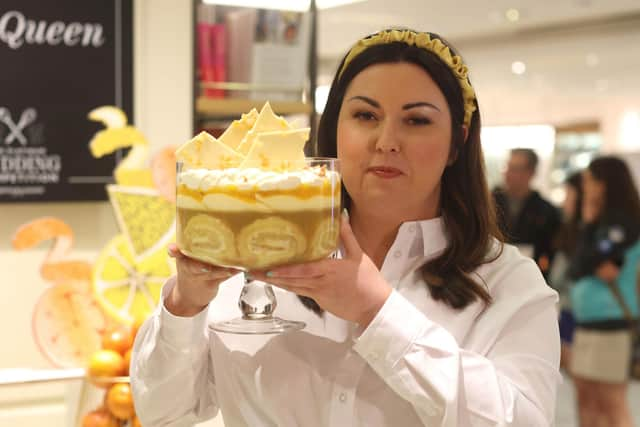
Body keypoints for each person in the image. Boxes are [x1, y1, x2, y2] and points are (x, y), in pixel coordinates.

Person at [130, 28, 560, 426]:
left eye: (417, 120)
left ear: (457, 143)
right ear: (334, 130)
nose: (386, 141)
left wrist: (377, 311)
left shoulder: (506, 283)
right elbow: (163, 413)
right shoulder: (258, 251)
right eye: (365, 116)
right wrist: (184, 304)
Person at [568, 156, 640, 427]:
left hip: (613, 321)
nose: (585, 187)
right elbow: (580, 265)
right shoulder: (598, 224)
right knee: (586, 399)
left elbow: (591, 264)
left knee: (612, 403)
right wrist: (587, 224)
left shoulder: (623, 223)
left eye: (589, 181)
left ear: (605, 183)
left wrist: (588, 254)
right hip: (587, 321)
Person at [492, 148, 562, 276]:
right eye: (507, 167)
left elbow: (549, 251)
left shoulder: (546, 211)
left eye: (515, 169)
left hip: (531, 274)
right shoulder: (488, 204)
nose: (508, 173)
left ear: (531, 173)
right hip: (493, 272)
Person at [547, 172, 582, 371]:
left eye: (569, 194)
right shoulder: (568, 229)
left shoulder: (587, 234)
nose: (565, 200)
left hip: (578, 314)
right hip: (566, 312)